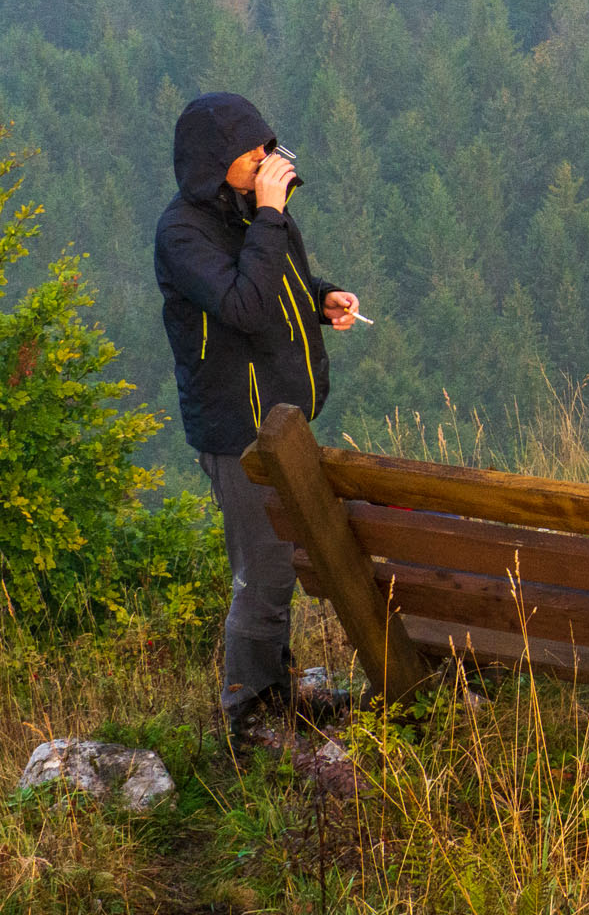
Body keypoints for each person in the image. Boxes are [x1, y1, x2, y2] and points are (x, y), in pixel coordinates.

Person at [154, 93, 361, 743]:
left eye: (268, 148)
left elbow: (280, 282)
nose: (268, 163)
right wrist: (271, 215)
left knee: (279, 563)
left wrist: (323, 297)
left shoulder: (251, 214)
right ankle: (249, 718)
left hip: (281, 420)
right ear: (216, 165)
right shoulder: (183, 233)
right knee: (264, 571)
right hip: (239, 433)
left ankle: (279, 692)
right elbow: (243, 304)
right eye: (254, 156)